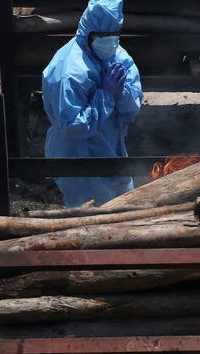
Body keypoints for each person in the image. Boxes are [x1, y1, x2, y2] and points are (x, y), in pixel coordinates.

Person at [42, 0, 142, 207]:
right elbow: (73, 126)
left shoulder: (119, 56)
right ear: (88, 32)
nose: (110, 41)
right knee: (88, 217)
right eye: (102, 36)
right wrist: (105, 95)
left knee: (125, 207)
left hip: (113, 145)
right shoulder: (69, 71)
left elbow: (133, 106)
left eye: (114, 34)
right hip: (77, 152)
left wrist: (121, 92)